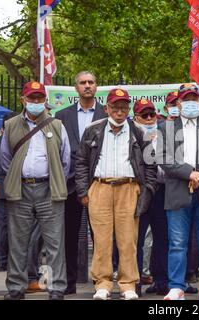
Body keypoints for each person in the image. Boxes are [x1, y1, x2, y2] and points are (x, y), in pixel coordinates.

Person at [75, 88, 157, 300]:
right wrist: (84, 190)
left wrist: (147, 190)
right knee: (101, 240)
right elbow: (81, 161)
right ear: (107, 108)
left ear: (128, 108)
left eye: (123, 106)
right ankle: (102, 284)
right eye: (115, 106)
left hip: (129, 189)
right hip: (100, 187)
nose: (119, 111)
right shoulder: (92, 129)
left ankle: (128, 284)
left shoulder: (139, 131)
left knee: (128, 239)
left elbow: (150, 165)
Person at [1, 81, 71, 300]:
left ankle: (57, 287)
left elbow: (65, 161)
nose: (35, 102)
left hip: (49, 189)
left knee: (54, 243)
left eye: (39, 99)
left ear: (45, 101)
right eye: (32, 99)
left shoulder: (57, 125)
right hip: (20, 189)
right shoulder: (12, 125)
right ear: (24, 100)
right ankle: (15, 287)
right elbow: (5, 160)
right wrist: (19, 177)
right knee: (18, 241)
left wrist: (54, 181)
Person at [157, 83, 199, 300]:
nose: (190, 103)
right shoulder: (165, 127)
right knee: (177, 243)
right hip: (178, 191)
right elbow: (163, 157)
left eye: (193, 99)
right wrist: (189, 173)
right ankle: (176, 286)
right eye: (185, 99)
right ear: (178, 103)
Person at [55, 71, 106, 294]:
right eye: (83, 83)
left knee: (100, 236)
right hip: (70, 183)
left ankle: (100, 282)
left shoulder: (107, 113)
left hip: (99, 183)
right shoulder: (62, 115)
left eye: (91, 82)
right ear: (76, 88)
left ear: (96, 86)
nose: (87, 86)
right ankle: (69, 281)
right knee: (69, 234)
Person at [132, 98, 169, 296]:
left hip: (163, 190)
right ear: (135, 117)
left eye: (151, 114)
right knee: (136, 238)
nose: (148, 119)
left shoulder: (166, 132)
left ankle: (161, 280)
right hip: (140, 191)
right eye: (143, 115)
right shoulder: (131, 134)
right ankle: (135, 281)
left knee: (163, 237)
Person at [0, 111, 18, 272]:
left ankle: (2, 260)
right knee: (18, 226)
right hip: (15, 187)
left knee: (2, 226)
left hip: (1, 188)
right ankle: (10, 259)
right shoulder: (15, 141)